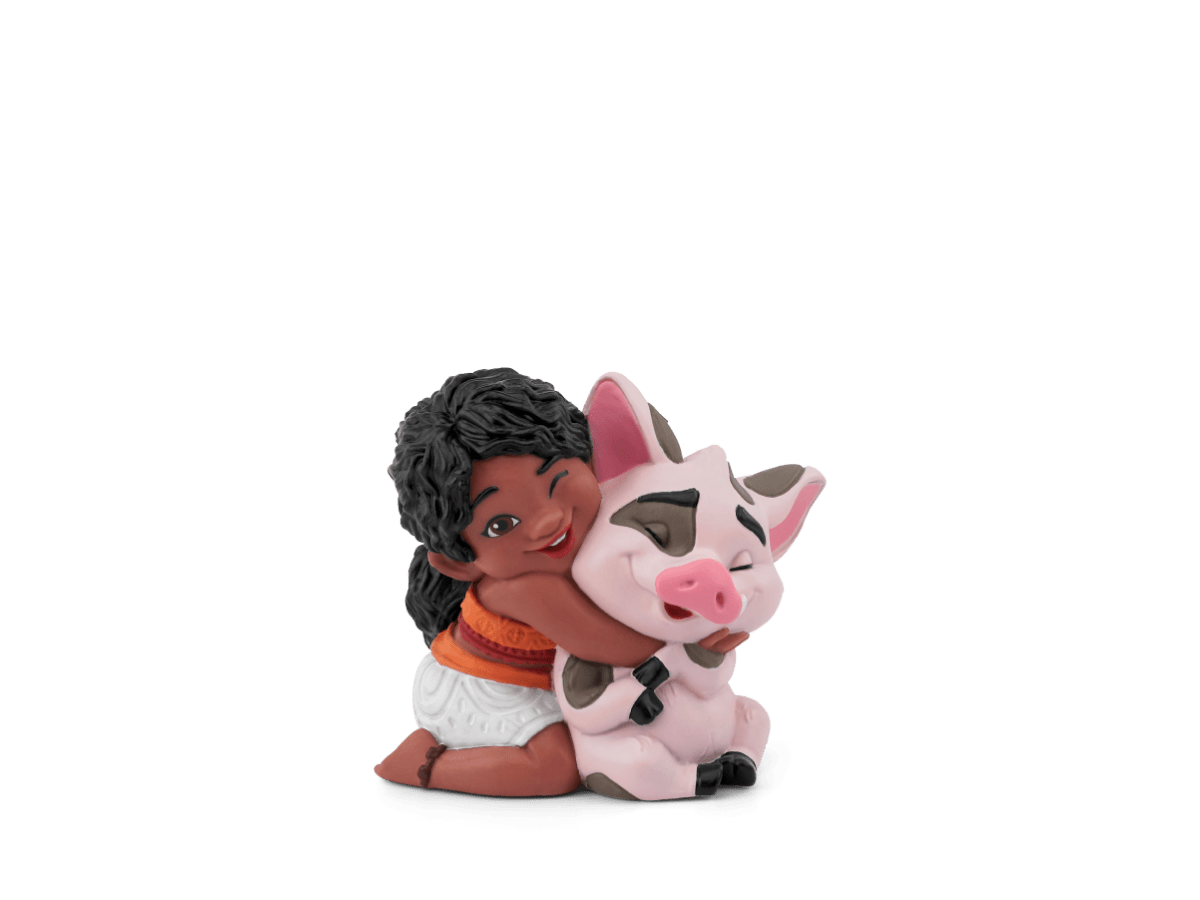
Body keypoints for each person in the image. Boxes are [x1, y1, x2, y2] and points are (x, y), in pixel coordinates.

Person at [375, 368, 740, 795]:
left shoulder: (601, 531)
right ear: (461, 563)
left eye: (555, 481)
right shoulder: (525, 586)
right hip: (491, 687)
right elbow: (608, 644)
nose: (547, 521)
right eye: (501, 525)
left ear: (590, 460)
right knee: (559, 767)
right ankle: (424, 768)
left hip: (567, 685)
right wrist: (691, 639)